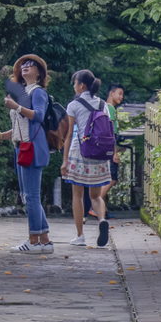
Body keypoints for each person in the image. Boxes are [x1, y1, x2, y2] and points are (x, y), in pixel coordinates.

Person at [0, 55, 53, 254]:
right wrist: (0, 135)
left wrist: (17, 107)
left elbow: (39, 116)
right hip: (23, 147)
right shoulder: (24, 93)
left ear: (39, 72)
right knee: (29, 196)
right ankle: (45, 241)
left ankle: (33, 241)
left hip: (32, 148)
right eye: (23, 65)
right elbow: (19, 129)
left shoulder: (38, 92)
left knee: (31, 196)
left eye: (30, 65)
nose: (25, 67)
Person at [62, 70, 112, 247]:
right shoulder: (102, 103)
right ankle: (101, 220)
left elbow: (69, 134)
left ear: (81, 85)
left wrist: (64, 160)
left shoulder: (73, 105)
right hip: (99, 154)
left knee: (77, 194)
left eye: (74, 83)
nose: (74, 86)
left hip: (80, 152)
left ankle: (80, 236)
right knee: (96, 196)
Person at [83, 83, 125, 221]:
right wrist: (115, 152)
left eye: (122, 94)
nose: (121, 96)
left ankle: (103, 209)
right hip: (109, 148)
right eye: (119, 93)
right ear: (111, 94)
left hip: (104, 148)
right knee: (112, 179)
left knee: (106, 178)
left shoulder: (103, 106)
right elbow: (110, 131)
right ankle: (96, 204)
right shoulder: (110, 108)